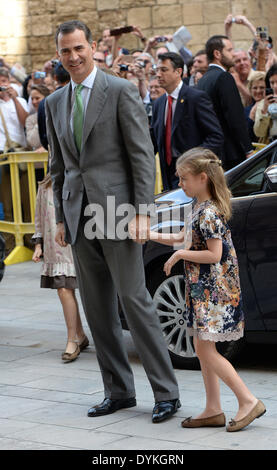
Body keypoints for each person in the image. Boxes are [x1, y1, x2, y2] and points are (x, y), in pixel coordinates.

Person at [45, 20, 180, 423]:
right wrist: (60, 218)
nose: (73, 57)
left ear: (93, 49)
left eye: (79, 48)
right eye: (66, 51)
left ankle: (166, 393)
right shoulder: (54, 103)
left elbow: (142, 156)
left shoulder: (120, 91)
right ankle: (118, 391)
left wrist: (142, 212)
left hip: (120, 214)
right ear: (59, 54)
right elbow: (59, 166)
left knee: (135, 303)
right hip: (78, 215)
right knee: (97, 308)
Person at [149, 147, 266, 432]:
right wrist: (151, 235)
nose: (180, 184)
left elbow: (214, 255)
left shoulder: (209, 212)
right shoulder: (199, 207)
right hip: (204, 292)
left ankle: (248, 400)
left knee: (206, 350)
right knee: (204, 348)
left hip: (215, 293)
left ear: (202, 178)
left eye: (183, 178)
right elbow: (184, 237)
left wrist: (180, 256)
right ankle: (213, 408)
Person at [32, 173, 89, 363]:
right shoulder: (45, 185)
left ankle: (77, 337)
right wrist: (38, 244)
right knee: (64, 289)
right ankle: (74, 338)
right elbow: (39, 217)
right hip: (55, 250)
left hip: (78, 246)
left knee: (69, 290)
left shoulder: (79, 179)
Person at [151, 52, 224, 190]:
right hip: (168, 174)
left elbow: (215, 136)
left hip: (193, 173)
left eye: (164, 70)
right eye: (157, 70)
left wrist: (193, 163)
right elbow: (154, 140)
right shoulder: (159, 103)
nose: (158, 74)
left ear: (178, 71)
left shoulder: (195, 98)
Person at [197, 35, 253, 170]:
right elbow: (235, 117)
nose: (233, 54)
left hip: (214, 153)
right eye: (230, 50)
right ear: (217, 53)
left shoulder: (203, 80)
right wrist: (248, 150)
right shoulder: (224, 77)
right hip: (231, 153)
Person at [253, 63, 277, 143]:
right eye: (272, 83)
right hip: (271, 148)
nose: (275, 86)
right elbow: (259, 133)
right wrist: (265, 111)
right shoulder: (263, 104)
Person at [25, 84, 50, 152]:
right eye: (32, 99)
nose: (34, 102)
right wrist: (40, 121)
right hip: (37, 160)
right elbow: (32, 142)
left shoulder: (55, 115)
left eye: (37, 98)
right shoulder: (30, 119)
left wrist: (47, 147)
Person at [244, 71, 266, 142]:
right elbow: (246, 138)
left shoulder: (273, 108)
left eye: (262, 87)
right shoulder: (245, 111)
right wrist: (251, 116)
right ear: (250, 90)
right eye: (255, 88)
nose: (258, 91)